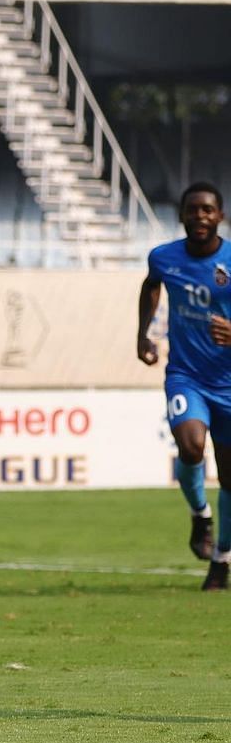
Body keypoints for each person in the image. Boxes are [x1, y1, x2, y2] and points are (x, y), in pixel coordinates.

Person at [138, 182, 231, 591]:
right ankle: (199, 514)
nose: (201, 217)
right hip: (186, 375)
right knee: (191, 444)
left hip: (228, 381)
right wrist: (143, 335)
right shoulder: (163, 257)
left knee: (230, 480)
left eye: (208, 210)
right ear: (182, 215)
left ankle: (221, 561)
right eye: (193, 210)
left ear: (220, 216)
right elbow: (151, 285)